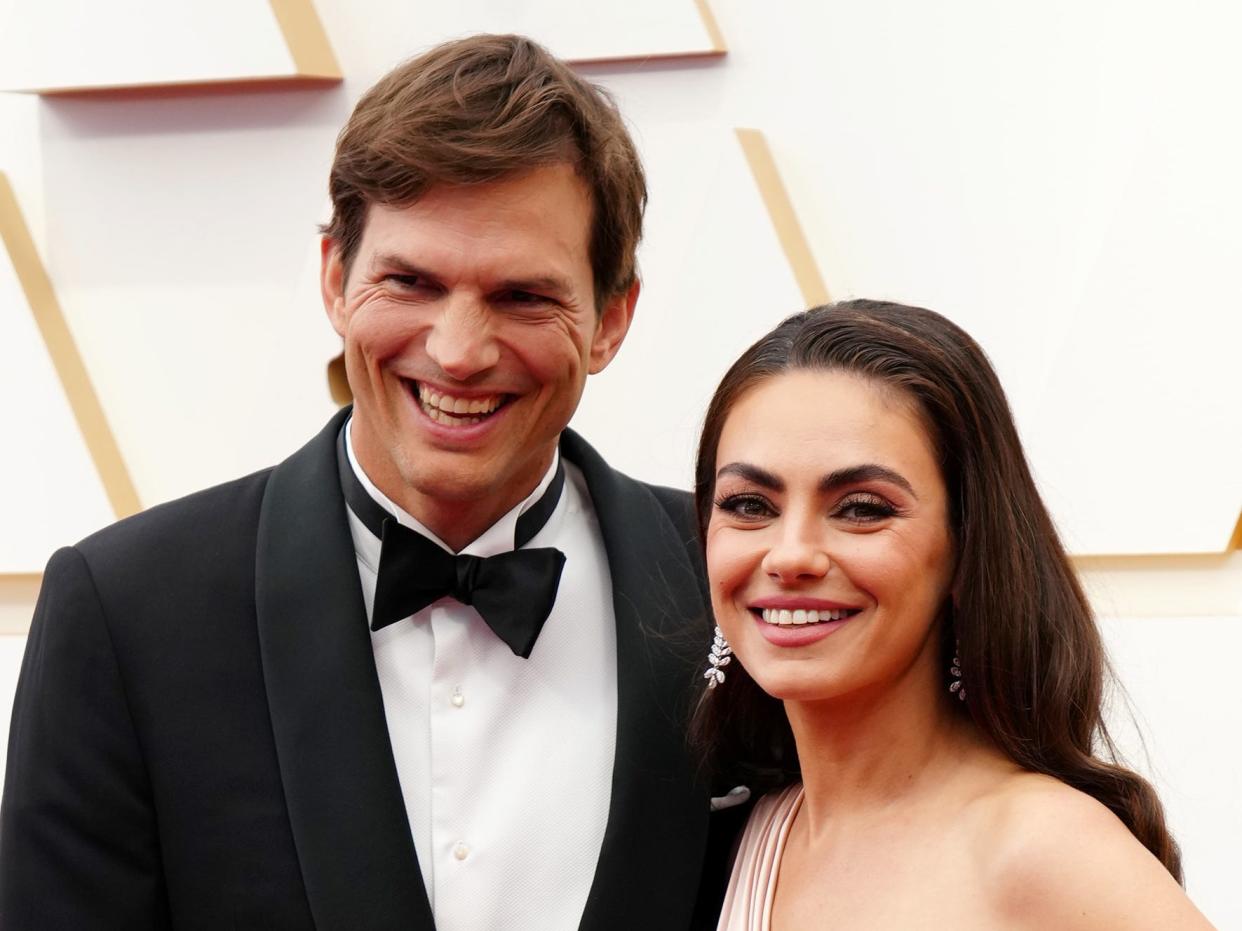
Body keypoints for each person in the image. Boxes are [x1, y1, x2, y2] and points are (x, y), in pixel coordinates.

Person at [0, 35, 735, 930]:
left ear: (611, 319)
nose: (459, 351)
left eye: (521, 296)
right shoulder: (127, 611)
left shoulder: (733, 586)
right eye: (411, 281)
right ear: (335, 279)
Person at [693, 300, 1216, 930]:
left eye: (861, 508)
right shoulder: (727, 837)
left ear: (967, 548)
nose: (791, 554)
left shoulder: (1041, 847)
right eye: (749, 504)